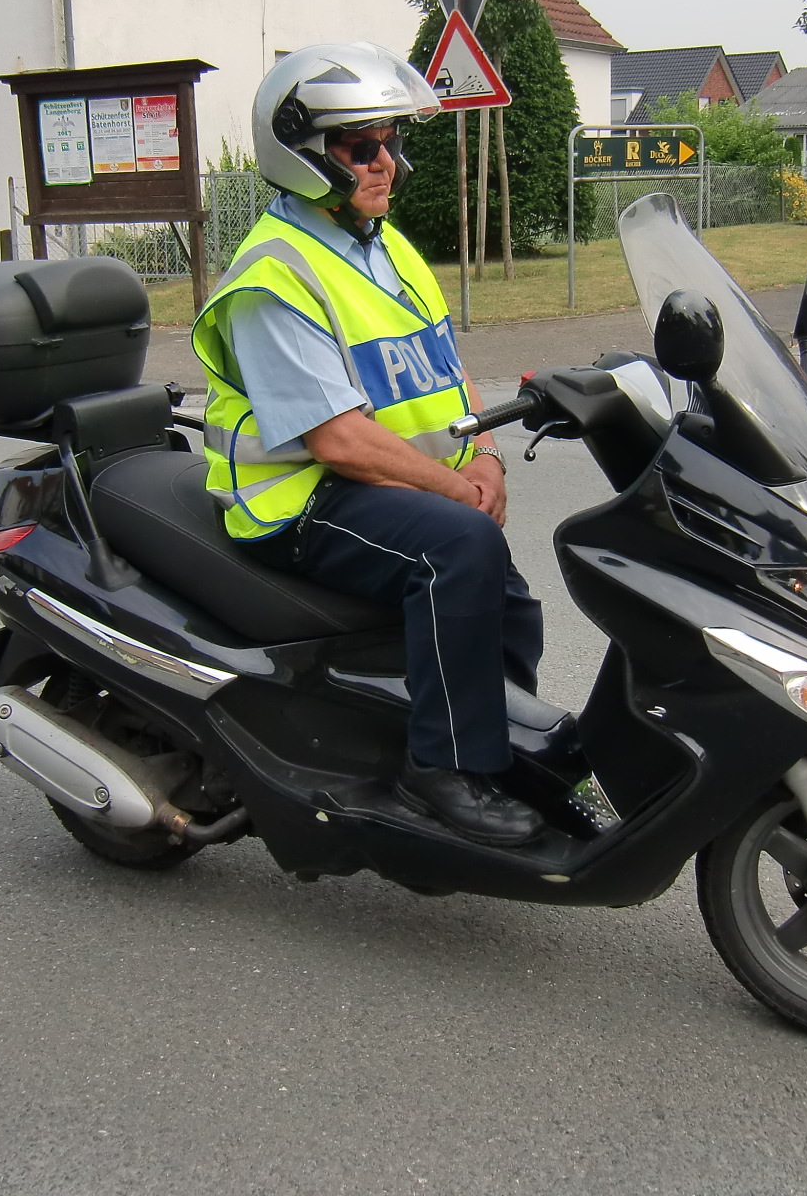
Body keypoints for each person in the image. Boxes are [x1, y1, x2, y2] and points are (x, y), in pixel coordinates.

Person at [190, 42, 546, 847]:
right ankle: (443, 772)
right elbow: (338, 439)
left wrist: (485, 456)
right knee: (458, 550)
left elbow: (447, 368)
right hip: (300, 500)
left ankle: (499, 744)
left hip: (384, 487)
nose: (387, 162)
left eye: (391, 141)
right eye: (361, 147)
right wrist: (457, 493)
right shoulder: (273, 277)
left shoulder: (384, 246)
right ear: (305, 156)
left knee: (507, 599)